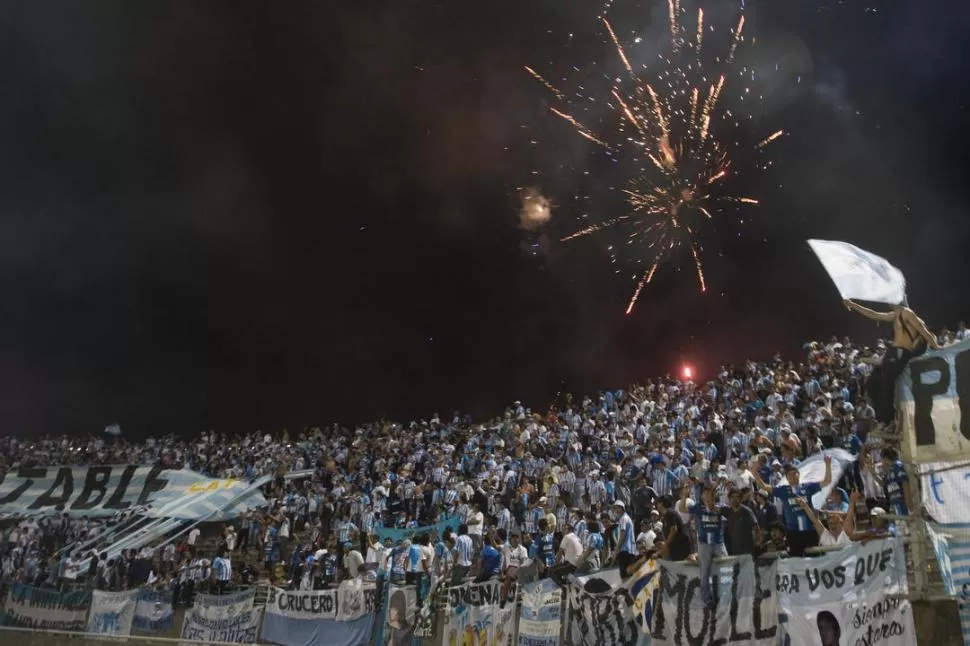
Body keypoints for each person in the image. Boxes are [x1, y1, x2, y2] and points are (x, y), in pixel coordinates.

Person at [843, 298, 940, 422]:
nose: (888, 300)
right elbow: (873, 314)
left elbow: (924, 331)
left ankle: (888, 420)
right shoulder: (895, 314)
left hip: (900, 352)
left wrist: (936, 346)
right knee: (872, 384)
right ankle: (886, 417)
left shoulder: (907, 312)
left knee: (887, 384)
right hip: (892, 353)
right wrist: (853, 304)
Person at [753, 455, 832, 557]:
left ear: (799, 475)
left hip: (809, 530)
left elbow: (827, 481)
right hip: (793, 532)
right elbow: (763, 486)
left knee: (814, 557)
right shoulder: (783, 490)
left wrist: (828, 464)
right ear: (786, 477)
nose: (793, 476)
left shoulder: (808, 487)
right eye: (790, 474)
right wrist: (754, 472)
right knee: (796, 560)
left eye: (795, 473)